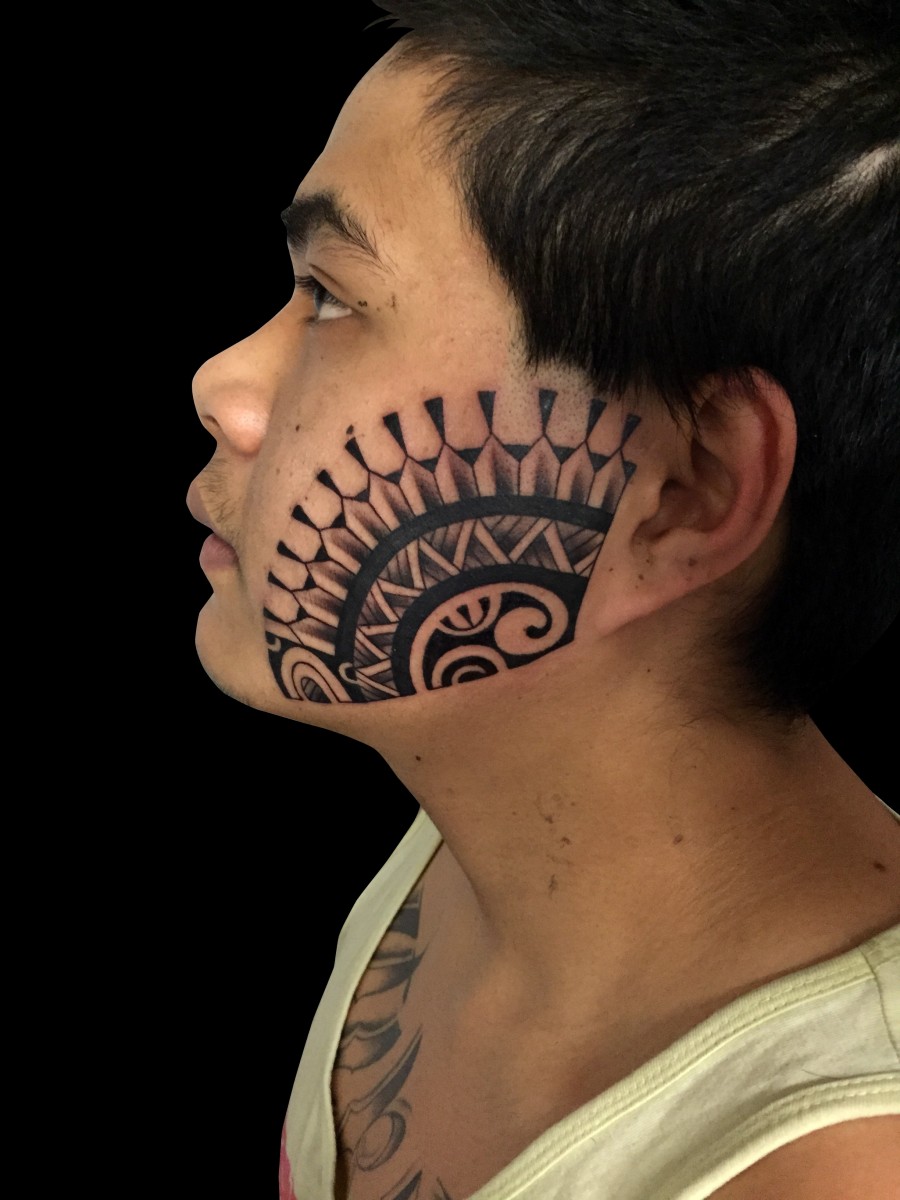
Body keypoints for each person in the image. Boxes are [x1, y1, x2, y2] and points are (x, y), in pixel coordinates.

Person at [186, 1, 900, 1196]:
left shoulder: (843, 1169)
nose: (223, 383)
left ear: (688, 488)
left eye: (334, 297)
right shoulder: (474, 829)